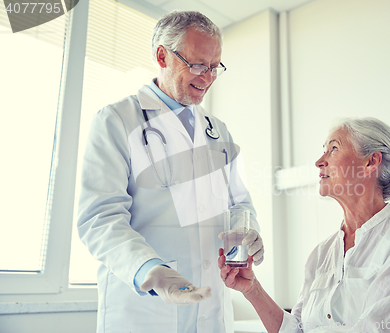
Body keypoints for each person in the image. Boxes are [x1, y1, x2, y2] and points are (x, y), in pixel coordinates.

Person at [78, 10, 264, 333]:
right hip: (147, 315)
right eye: (196, 65)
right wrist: (150, 270)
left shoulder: (217, 131)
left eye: (214, 67)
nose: (206, 77)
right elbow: (100, 219)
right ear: (162, 56)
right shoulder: (118, 121)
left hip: (214, 314)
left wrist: (250, 235)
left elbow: (239, 204)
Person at [219, 117, 390, 333]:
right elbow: (297, 329)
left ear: (371, 162)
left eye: (333, 149)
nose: (319, 161)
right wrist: (252, 289)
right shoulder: (321, 254)